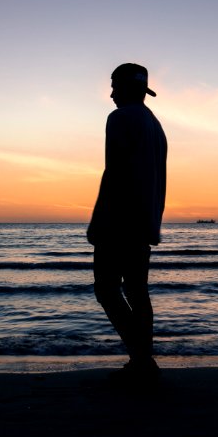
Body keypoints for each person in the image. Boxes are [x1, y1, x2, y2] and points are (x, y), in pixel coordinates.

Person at [88, 63, 168, 383]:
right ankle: (143, 361)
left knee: (106, 289)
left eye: (113, 87)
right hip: (144, 220)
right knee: (137, 291)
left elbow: (114, 172)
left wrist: (98, 221)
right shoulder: (154, 124)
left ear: (124, 88)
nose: (110, 94)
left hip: (119, 220)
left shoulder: (120, 118)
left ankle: (140, 357)